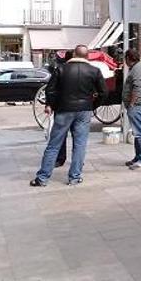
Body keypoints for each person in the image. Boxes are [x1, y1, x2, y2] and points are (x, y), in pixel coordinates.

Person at [31, 45, 106, 186]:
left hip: (64, 110)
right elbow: (103, 92)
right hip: (84, 111)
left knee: (53, 145)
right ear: (87, 56)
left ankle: (42, 178)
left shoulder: (61, 69)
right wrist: (92, 106)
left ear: (74, 55)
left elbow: (51, 90)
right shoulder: (94, 71)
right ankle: (74, 177)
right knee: (80, 145)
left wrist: (50, 105)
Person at [123, 49, 141, 169]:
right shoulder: (136, 68)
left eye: (125, 58)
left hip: (138, 105)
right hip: (138, 104)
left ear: (129, 58)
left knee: (140, 133)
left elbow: (137, 87)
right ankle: (138, 156)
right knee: (137, 132)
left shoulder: (138, 69)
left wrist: (132, 103)